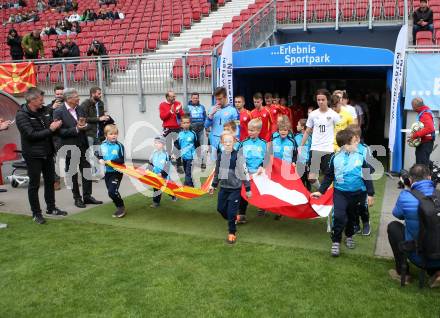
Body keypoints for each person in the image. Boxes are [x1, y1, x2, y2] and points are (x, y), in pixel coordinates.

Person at [311, 129, 375, 257]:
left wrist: (370, 194)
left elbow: (367, 176)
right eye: (354, 142)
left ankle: (349, 236)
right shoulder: (335, 158)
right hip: (340, 193)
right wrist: (320, 191)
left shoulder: (360, 157)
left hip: (357, 194)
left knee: (352, 217)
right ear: (345, 145)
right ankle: (336, 241)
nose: (357, 143)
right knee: (339, 217)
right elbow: (329, 176)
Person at [16, 88, 67, 224]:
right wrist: (51, 129)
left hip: (48, 152)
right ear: (32, 100)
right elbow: (31, 135)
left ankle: (51, 208)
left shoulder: (44, 111)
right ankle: (36, 213)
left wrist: (57, 127)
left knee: (51, 181)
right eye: (40, 99)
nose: (42, 102)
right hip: (33, 155)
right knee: (34, 184)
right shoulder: (22, 115)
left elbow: (52, 128)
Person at [387, 164, 440, 287]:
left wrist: (407, 189)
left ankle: (403, 274)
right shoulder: (438, 194)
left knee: (393, 227)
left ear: (410, 180)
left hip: (418, 256)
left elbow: (397, 214)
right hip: (437, 252)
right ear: (429, 177)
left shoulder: (406, 196)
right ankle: (437, 272)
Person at [54, 88, 103, 208]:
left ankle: (87, 196)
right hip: (69, 147)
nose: (79, 98)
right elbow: (59, 132)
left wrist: (85, 126)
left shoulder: (80, 108)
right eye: (76, 96)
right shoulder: (59, 111)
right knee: (72, 173)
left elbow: (85, 124)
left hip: (83, 145)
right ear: (69, 98)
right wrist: (76, 129)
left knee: (86, 170)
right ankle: (77, 198)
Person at [209, 132, 252, 244]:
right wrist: (214, 185)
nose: (228, 144)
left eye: (230, 142)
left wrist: (248, 188)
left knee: (232, 212)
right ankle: (232, 219)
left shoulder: (238, 156)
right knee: (220, 209)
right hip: (223, 188)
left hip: (235, 189)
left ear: (234, 142)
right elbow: (217, 171)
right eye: (225, 142)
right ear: (222, 143)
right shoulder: (220, 156)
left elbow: (244, 172)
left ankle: (232, 233)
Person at [300, 89, 341, 189]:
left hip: (328, 150)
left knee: (329, 177)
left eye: (323, 99)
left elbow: (340, 132)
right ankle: (322, 191)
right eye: (318, 100)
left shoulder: (334, 115)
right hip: (315, 149)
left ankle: (329, 197)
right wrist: (301, 146)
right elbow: (307, 131)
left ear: (327, 100)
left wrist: (342, 146)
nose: (321, 102)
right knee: (311, 178)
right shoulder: (313, 114)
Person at [238, 118, 267, 221]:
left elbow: (267, 158)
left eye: (253, 130)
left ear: (258, 131)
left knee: (260, 191)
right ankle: (242, 214)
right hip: (246, 172)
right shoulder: (244, 142)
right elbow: (239, 157)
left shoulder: (263, 143)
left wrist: (262, 166)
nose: (250, 132)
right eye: (249, 130)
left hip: (259, 172)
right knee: (244, 191)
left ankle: (262, 207)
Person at [98, 124, 126, 218]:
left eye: (115, 134)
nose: (114, 135)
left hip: (117, 172)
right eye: (111, 134)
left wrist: (109, 161)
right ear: (106, 135)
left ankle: (121, 207)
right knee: (111, 192)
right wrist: (100, 158)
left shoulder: (119, 146)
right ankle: (119, 205)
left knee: (112, 191)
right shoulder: (103, 145)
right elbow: (98, 153)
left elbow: (122, 160)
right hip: (108, 173)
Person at [349, 124, 371, 236]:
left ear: (357, 137)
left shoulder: (365, 149)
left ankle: (366, 223)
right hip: (351, 185)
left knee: (362, 206)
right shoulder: (346, 148)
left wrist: (363, 171)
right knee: (353, 207)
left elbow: (370, 168)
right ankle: (356, 224)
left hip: (362, 185)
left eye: (350, 136)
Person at [205, 87, 239, 155]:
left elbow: (236, 127)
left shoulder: (232, 110)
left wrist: (236, 139)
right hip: (214, 140)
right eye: (216, 99)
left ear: (225, 97)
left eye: (220, 99)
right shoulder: (212, 109)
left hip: (226, 141)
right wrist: (211, 115)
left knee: (225, 162)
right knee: (215, 163)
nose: (218, 101)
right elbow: (206, 125)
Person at [159, 90, 184, 174]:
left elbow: (182, 115)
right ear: (167, 97)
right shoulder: (162, 105)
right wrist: (170, 111)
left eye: (174, 96)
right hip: (167, 128)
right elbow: (162, 117)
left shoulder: (178, 103)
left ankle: (179, 165)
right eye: (172, 96)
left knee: (178, 147)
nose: (174, 98)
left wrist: (178, 112)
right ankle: (167, 165)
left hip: (177, 128)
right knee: (168, 147)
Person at [149, 136, 176, 208]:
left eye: (158, 143)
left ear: (163, 144)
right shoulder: (154, 153)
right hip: (155, 175)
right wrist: (148, 170)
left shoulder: (166, 154)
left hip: (164, 176)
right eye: (155, 143)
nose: (156, 144)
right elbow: (151, 163)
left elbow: (167, 166)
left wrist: (162, 174)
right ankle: (156, 202)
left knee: (168, 188)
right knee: (156, 188)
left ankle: (173, 195)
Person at [407, 97, 435, 167]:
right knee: (423, 164)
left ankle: (424, 177)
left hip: (425, 144)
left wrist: (414, 135)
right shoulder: (425, 111)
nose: (412, 108)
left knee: (421, 167)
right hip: (425, 143)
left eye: (413, 106)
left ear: (417, 106)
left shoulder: (425, 114)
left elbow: (430, 128)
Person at [184, 92, 207, 170]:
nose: (195, 99)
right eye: (194, 98)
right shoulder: (187, 107)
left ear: (198, 98)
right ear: (191, 98)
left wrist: (206, 129)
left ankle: (202, 162)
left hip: (201, 130)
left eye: (196, 98)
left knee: (202, 146)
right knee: (190, 146)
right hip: (191, 130)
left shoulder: (202, 107)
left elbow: (205, 117)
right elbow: (185, 119)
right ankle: (190, 162)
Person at [174, 114, 199, 187]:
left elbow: (197, 144)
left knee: (188, 172)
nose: (186, 124)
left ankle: (188, 185)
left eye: (187, 122)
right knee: (186, 172)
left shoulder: (193, 134)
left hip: (191, 157)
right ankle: (190, 184)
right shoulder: (179, 134)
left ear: (190, 123)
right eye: (184, 123)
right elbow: (177, 144)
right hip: (183, 157)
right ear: (181, 124)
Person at [48, 85, 64, 191]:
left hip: (67, 135)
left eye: (61, 94)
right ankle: (56, 181)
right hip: (55, 137)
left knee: (69, 159)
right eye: (57, 94)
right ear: (54, 94)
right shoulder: (49, 106)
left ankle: (71, 180)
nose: (59, 96)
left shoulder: (69, 105)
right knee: (56, 161)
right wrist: (52, 109)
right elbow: (46, 120)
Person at [294, 119, 312, 191]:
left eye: (298, 124)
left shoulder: (310, 138)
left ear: (302, 127)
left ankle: (310, 196)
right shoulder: (295, 137)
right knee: (300, 181)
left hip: (307, 163)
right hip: (299, 163)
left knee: (308, 181)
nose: (296, 126)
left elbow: (311, 150)